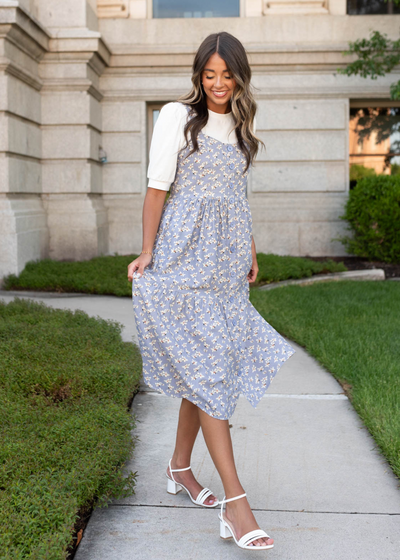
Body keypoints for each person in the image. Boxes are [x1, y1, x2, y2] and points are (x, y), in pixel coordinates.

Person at [128, 31, 296, 550]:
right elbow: (158, 188)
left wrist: (249, 247)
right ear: (198, 75)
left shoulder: (242, 124)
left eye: (228, 75)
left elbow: (236, 195)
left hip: (224, 266)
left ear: (239, 76)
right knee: (207, 369)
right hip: (182, 255)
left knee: (206, 370)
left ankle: (179, 468)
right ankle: (236, 504)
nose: (219, 84)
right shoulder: (178, 117)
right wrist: (147, 251)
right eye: (210, 74)